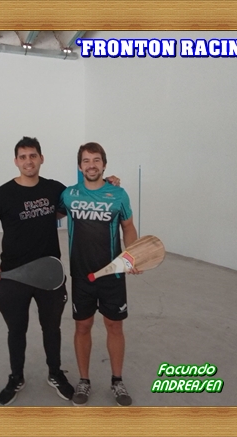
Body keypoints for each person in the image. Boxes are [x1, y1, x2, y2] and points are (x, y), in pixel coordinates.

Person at [0, 137, 120, 406]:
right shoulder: (1, 194)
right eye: (23, 157)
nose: (28, 161)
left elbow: (83, 195)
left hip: (49, 276)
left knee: (52, 328)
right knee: (16, 330)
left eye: (33, 155)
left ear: (41, 158)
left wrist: (107, 182)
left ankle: (55, 374)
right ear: (16, 161)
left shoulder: (55, 190)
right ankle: (16, 377)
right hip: (13, 277)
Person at [59, 142, 139, 407]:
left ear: (104, 164)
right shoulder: (69, 195)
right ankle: (84, 380)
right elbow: (48, 215)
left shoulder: (118, 194)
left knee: (114, 326)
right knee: (82, 326)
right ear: (79, 165)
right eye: (86, 160)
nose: (91, 165)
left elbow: (128, 227)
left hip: (112, 276)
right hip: (82, 277)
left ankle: (117, 380)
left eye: (96, 160)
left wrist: (133, 255)